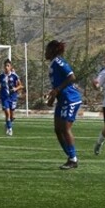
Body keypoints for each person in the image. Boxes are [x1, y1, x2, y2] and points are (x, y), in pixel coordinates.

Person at [44, 39, 83, 169]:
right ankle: (71, 157)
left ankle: (73, 159)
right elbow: (56, 86)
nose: (45, 52)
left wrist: (57, 90)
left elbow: (71, 77)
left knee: (65, 128)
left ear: (52, 51)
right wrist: (52, 98)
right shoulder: (53, 64)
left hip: (70, 99)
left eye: (47, 49)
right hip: (62, 99)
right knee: (57, 129)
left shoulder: (59, 62)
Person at [0, 59, 23, 136]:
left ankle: (8, 124)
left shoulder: (14, 76)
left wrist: (15, 88)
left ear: (11, 67)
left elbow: (20, 85)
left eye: (8, 66)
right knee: (7, 114)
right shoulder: (1, 76)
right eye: (5, 66)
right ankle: (10, 129)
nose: (6, 67)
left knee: (12, 116)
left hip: (13, 97)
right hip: (4, 97)